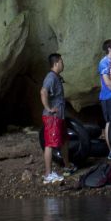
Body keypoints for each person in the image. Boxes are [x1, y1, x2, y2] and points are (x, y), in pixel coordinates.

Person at [40, 53, 72, 184]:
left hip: (59, 117)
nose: (63, 64)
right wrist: (48, 108)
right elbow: (43, 91)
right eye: (62, 62)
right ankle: (48, 174)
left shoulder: (56, 77)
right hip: (52, 117)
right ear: (57, 63)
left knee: (64, 141)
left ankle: (67, 166)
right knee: (49, 145)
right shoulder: (50, 77)